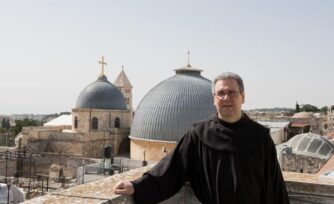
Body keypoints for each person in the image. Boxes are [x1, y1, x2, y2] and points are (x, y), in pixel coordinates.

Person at [113, 72, 290, 204]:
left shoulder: (260, 137)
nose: (226, 98)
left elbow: (274, 183)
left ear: (243, 97)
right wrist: (136, 186)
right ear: (214, 99)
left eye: (232, 92)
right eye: (220, 93)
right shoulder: (199, 135)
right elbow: (171, 170)